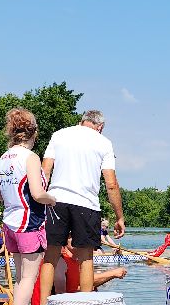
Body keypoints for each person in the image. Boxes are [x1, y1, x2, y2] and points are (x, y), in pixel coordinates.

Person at [41, 109, 127, 294]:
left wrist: (39, 202)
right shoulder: (104, 143)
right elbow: (111, 184)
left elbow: (45, 171)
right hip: (86, 204)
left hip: (56, 201)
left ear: (82, 121)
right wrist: (119, 217)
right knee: (86, 257)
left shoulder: (59, 135)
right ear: (100, 127)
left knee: (51, 256)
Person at [0, 106, 54, 305]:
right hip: (29, 223)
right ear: (34, 133)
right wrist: (52, 199)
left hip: (9, 223)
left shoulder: (3, 157)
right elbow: (38, 194)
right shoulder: (31, 157)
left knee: (20, 278)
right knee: (28, 278)